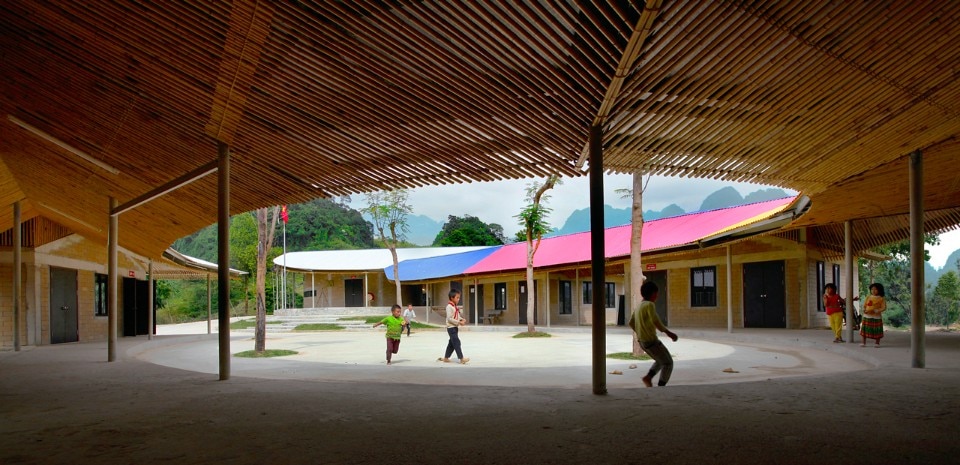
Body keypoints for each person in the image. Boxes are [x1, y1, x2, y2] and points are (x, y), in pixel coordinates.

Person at [627, 281, 678, 387]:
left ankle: (648, 378)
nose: (657, 296)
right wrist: (668, 333)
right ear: (653, 293)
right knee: (668, 363)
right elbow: (655, 320)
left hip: (642, 342)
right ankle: (661, 387)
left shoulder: (640, 306)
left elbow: (631, 323)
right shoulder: (650, 305)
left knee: (660, 360)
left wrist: (641, 332)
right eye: (656, 293)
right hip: (651, 341)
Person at [438, 289, 469, 364]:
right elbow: (449, 318)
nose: (458, 299)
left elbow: (457, 316)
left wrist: (462, 319)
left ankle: (446, 358)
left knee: (451, 343)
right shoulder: (449, 307)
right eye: (457, 298)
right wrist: (459, 322)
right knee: (457, 342)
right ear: (452, 298)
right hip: (451, 328)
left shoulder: (454, 306)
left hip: (455, 327)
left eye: (459, 298)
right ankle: (461, 359)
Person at [860, 283, 887, 347]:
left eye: (875, 289)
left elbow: (883, 307)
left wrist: (876, 310)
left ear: (879, 290)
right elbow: (864, 305)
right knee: (864, 329)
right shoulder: (868, 297)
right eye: (872, 289)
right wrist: (864, 310)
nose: (873, 291)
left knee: (877, 329)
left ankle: (877, 343)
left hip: (876, 316)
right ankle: (863, 342)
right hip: (867, 316)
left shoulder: (881, 298)